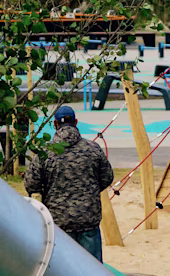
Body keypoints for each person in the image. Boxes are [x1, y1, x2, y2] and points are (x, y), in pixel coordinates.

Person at [25, 106, 115, 262]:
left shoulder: (45, 152)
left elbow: (31, 184)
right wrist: (91, 190)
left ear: (55, 124)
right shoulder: (93, 149)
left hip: (58, 222)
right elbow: (107, 178)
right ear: (76, 122)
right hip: (88, 219)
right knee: (91, 268)